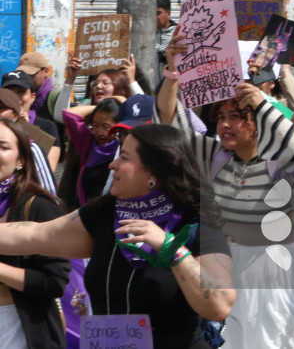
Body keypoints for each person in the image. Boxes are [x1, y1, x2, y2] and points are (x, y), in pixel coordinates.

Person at [0, 123, 235, 347]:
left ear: (153, 172)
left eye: (124, 157)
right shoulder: (103, 214)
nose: (113, 165)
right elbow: (36, 234)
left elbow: (219, 306)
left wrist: (172, 249)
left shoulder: (195, 223)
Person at [158, 33, 294, 349]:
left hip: (274, 281)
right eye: (221, 117)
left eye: (236, 117)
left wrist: (259, 101)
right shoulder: (213, 156)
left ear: (260, 121)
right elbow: (169, 122)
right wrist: (172, 73)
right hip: (224, 276)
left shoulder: (281, 162)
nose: (224, 125)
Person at [0, 118, 70, 348]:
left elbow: (54, 281)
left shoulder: (39, 207)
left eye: (3, 147)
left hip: (21, 328)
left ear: (20, 160)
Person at [60, 97, 122, 210]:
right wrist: (99, 107)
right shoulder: (88, 142)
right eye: (95, 126)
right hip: (87, 213)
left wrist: (121, 102)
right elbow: (68, 114)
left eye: (106, 127)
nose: (99, 132)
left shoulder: (124, 147)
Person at [2, 70, 61, 172]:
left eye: (21, 91)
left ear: (33, 96)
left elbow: (48, 169)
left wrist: (27, 128)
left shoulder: (47, 127)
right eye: (9, 92)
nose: (16, 98)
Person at [16, 52, 61, 125]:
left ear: (46, 71)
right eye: (22, 74)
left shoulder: (56, 98)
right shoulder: (17, 98)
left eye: (31, 74)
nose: (26, 78)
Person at [157, 0, 178, 78]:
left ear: (168, 14)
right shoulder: (144, 35)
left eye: (158, 13)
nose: (154, 17)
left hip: (171, 83)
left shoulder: (178, 33)